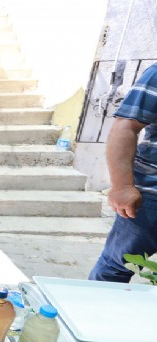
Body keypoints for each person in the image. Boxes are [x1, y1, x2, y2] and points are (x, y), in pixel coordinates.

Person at [89, 62, 157, 283]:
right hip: (152, 198)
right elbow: (126, 125)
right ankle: (94, 316)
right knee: (116, 267)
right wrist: (122, 186)